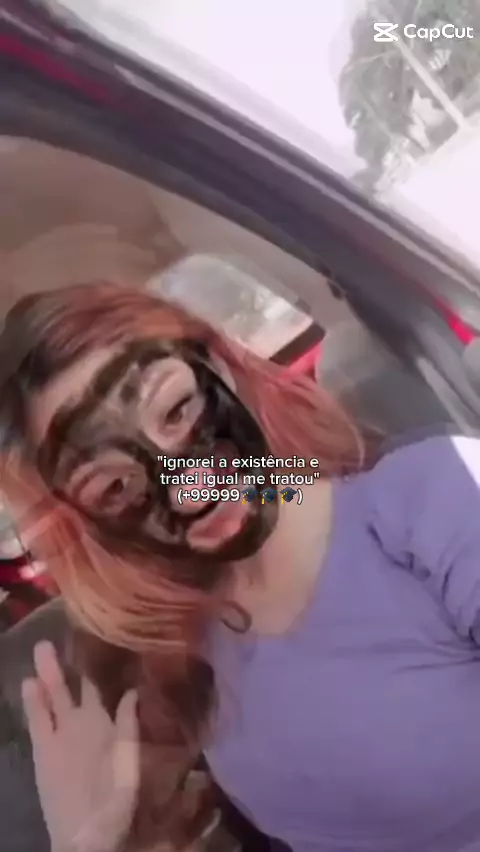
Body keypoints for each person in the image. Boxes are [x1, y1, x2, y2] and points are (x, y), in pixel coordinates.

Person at [2, 282, 480, 852]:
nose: (189, 493)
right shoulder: (179, 652)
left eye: (177, 410)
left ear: (221, 363)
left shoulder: (436, 495)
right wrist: (90, 844)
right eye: (114, 487)